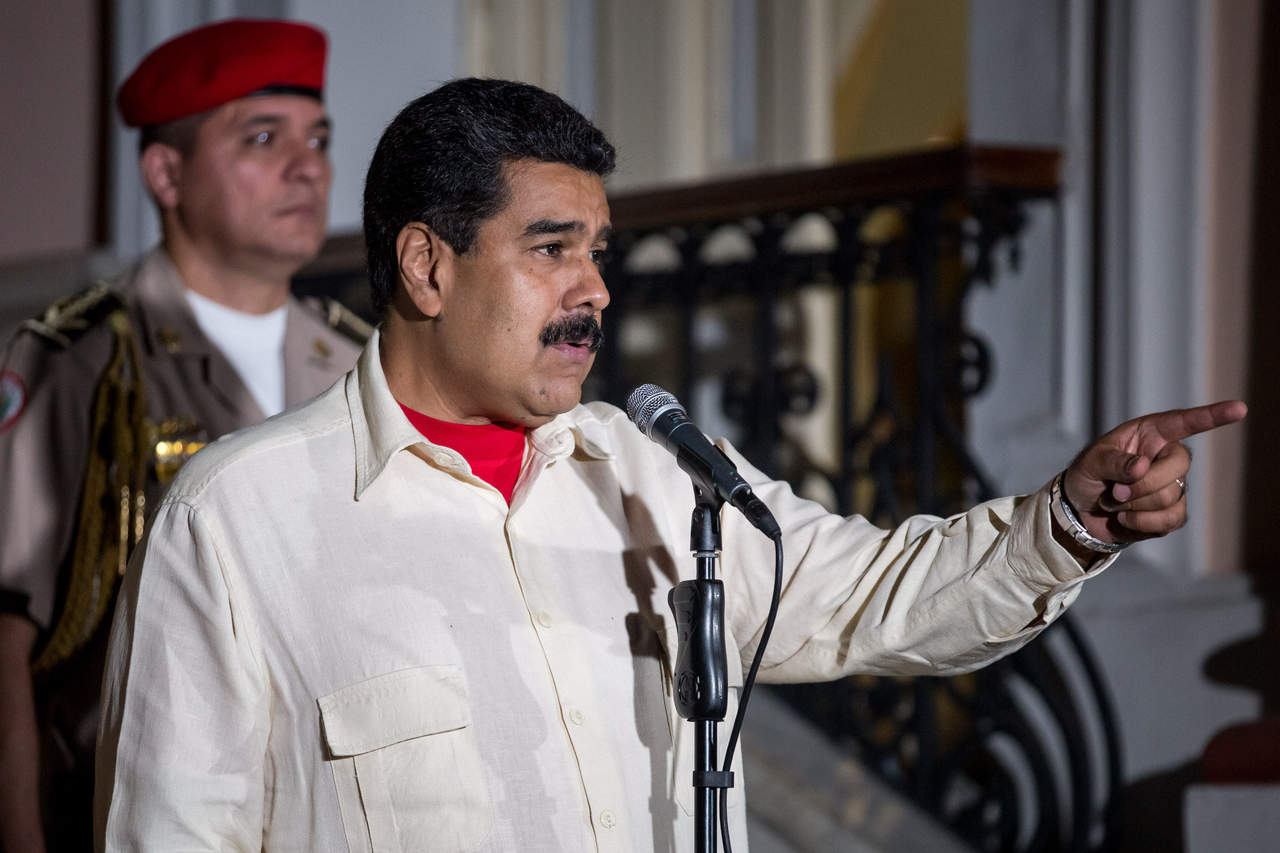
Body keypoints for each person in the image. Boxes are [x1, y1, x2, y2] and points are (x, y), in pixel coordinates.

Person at [94, 77, 1247, 852]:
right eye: (551, 249)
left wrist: (1070, 521)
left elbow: (875, 594)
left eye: (597, 251)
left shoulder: (650, 475)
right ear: (426, 267)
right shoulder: (239, 517)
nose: (594, 288)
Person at [0, 18, 367, 852]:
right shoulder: (81, 359)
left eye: (318, 138)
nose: (307, 166)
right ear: (165, 173)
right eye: (263, 138)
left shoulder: (356, 362)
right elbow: (5, 637)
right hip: (134, 812)